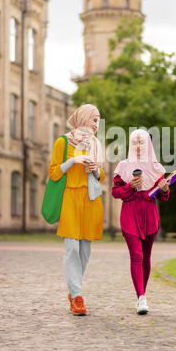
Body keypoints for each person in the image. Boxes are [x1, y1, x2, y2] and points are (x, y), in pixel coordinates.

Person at [48, 104, 105, 316]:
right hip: (69, 198)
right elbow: (54, 173)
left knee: (85, 251)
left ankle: (74, 291)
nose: (96, 124)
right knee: (71, 248)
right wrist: (72, 161)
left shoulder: (96, 144)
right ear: (82, 118)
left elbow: (102, 176)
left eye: (98, 120)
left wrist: (96, 170)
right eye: (94, 119)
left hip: (90, 200)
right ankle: (78, 296)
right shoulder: (63, 142)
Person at [111, 129, 170, 314]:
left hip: (150, 215)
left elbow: (163, 197)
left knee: (146, 257)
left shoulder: (156, 167)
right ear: (130, 144)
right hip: (129, 215)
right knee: (136, 255)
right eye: (135, 143)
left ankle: (141, 295)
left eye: (142, 143)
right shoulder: (123, 166)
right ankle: (141, 297)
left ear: (148, 145)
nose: (138, 147)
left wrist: (164, 188)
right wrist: (130, 186)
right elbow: (115, 192)